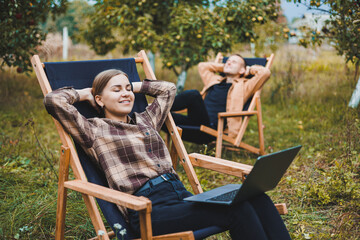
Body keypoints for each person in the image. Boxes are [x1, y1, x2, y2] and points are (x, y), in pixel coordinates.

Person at [44, 69, 290, 239]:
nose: (126, 93)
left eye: (128, 89)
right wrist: (87, 93)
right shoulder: (93, 129)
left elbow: (168, 89)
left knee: (255, 197)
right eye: (116, 90)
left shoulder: (147, 119)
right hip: (147, 209)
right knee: (237, 209)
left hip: (181, 198)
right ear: (99, 98)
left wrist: (135, 86)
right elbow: (54, 101)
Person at [171, 54, 270, 144]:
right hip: (194, 123)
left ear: (242, 70)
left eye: (234, 62)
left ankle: (162, 104)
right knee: (161, 116)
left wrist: (249, 69)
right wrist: (224, 67)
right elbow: (202, 66)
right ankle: (160, 108)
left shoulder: (245, 86)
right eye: (227, 61)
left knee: (193, 95)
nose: (228, 62)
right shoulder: (214, 80)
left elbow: (265, 73)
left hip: (210, 130)